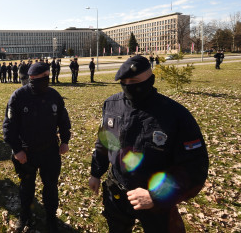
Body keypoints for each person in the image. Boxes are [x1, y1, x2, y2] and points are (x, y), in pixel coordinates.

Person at [88, 55, 209, 233]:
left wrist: (155, 196)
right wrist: (96, 173)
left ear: (150, 80)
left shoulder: (175, 115)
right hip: (117, 189)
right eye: (124, 81)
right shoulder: (112, 105)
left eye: (134, 81)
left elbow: (195, 166)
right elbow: (105, 141)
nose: (129, 86)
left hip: (154, 197)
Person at [3, 62, 71, 232]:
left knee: (50, 187)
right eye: (40, 78)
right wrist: (17, 150)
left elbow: (63, 120)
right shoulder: (18, 97)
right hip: (26, 153)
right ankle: (25, 215)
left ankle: (50, 217)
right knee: (26, 187)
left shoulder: (54, 95)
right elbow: (8, 127)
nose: (45, 81)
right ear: (31, 78)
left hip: (50, 152)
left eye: (47, 77)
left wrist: (64, 140)